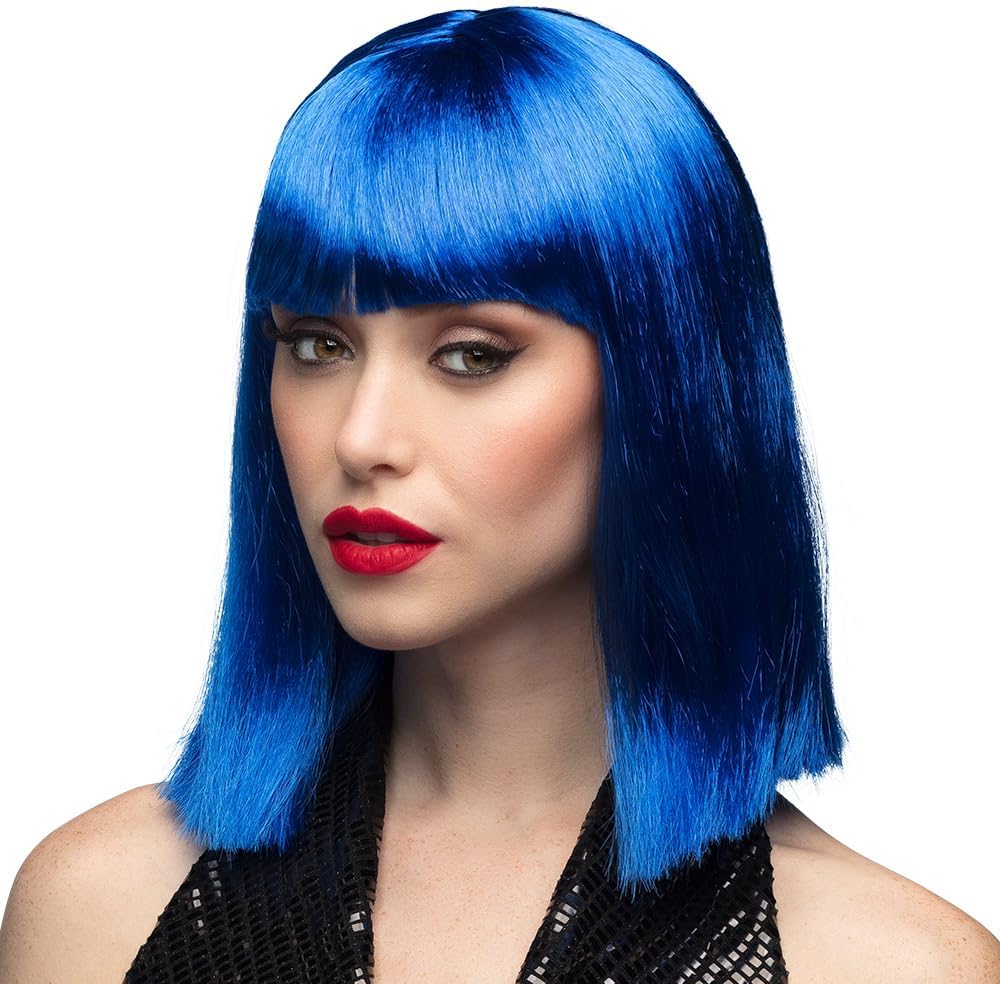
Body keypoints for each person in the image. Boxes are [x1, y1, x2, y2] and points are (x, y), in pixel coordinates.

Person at [1, 6, 998, 983]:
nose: (360, 438)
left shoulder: (893, 966)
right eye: (317, 345)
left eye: (471, 355)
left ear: (667, 392)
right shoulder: (97, 910)